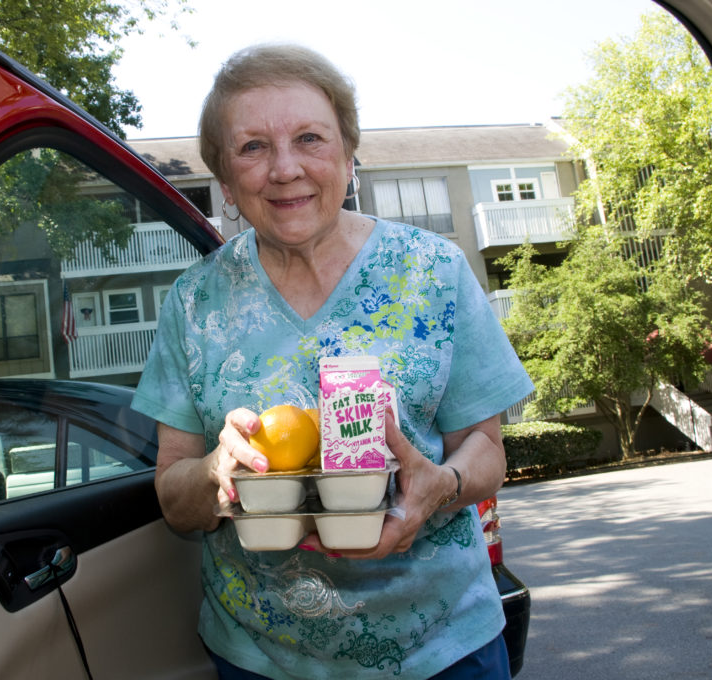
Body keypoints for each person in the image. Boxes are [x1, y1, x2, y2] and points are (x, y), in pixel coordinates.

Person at [131, 43, 534, 680]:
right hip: (261, 659)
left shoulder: (433, 270)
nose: (285, 169)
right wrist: (218, 468)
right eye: (253, 147)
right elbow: (174, 497)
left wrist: (439, 489)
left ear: (348, 156)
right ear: (227, 181)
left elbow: (485, 450)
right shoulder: (194, 301)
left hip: (443, 649)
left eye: (310, 138)